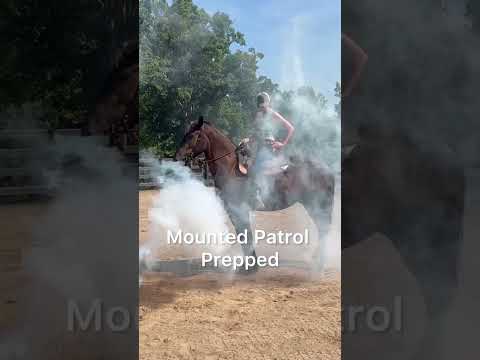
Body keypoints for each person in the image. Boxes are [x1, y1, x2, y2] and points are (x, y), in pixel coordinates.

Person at [244, 92, 295, 209]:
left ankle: (260, 198)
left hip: (269, 149)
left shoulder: (272, 114)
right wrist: (247, 139)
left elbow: (290, 128)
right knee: (246, 165)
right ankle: (257, 197)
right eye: (259, 104)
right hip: (259, 148)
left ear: (268, 102)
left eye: (263, 103)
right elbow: (255, 135)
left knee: (256, 169)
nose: (261, 106)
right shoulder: (257, 116)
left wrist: (282, 144)